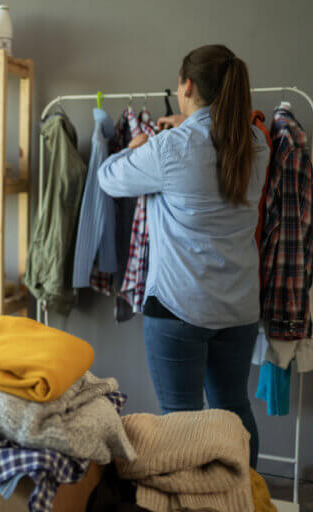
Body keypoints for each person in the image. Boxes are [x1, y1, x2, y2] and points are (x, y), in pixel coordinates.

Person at [97, 44, 269, 468]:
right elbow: (214, 140)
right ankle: (246, 496)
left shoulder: (168, 147)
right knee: (235, 413)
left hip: (179, 307)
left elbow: (108, 180)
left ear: (187, 85)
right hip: (239, 308)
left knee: (181, 423)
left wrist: (134, 146)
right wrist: (187, 124)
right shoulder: (256, 145)